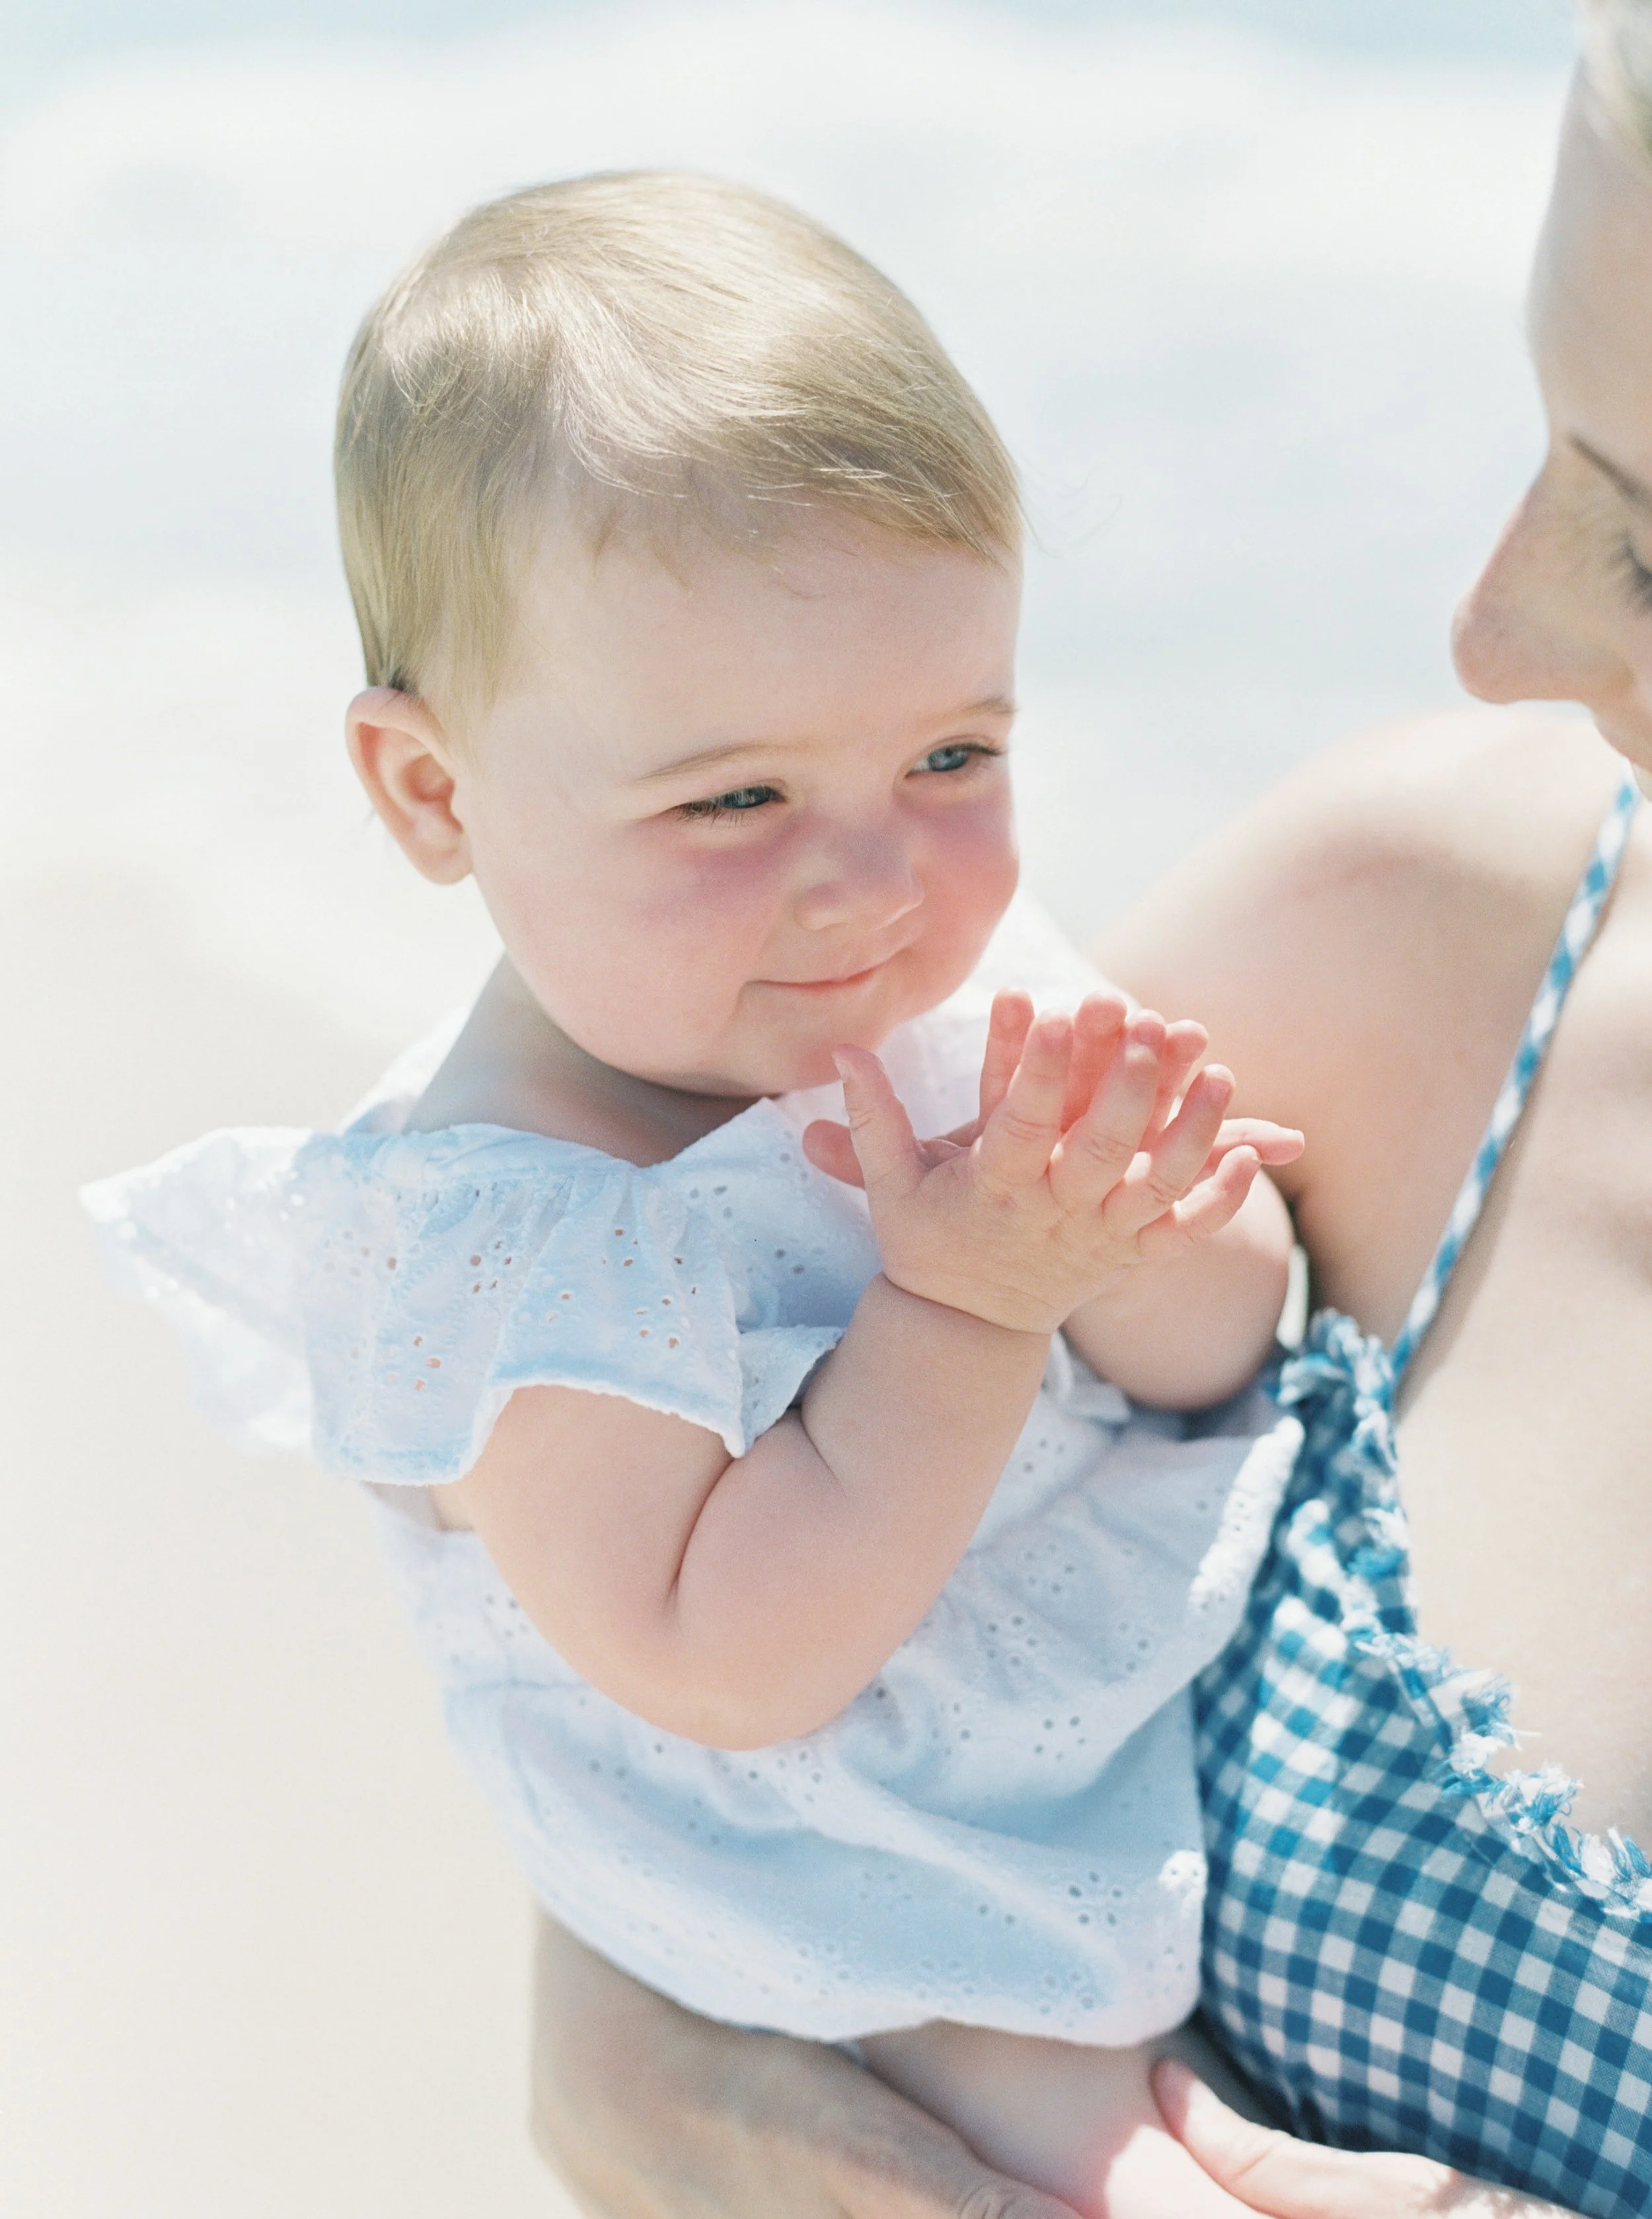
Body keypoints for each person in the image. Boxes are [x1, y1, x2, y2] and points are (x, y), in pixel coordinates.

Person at [83, 173, 1324, 2216]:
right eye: (731, 797)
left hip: (1068, 1735)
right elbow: (734, 1658)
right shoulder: (511, 1233)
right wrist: (971, 1303)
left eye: (954, 750)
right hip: (806, 1879)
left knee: (1186, 2096)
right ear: (433, 792)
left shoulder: (941, 961)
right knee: (1072, 2138)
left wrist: (1135, 1213)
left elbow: (1217, 1345)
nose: (874, 873)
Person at [520, 7, 1652, 2218]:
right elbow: (685, 1693)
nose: (1490, 635)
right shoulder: (1430, 928)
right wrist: (660, 2080)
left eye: (1643, 547)